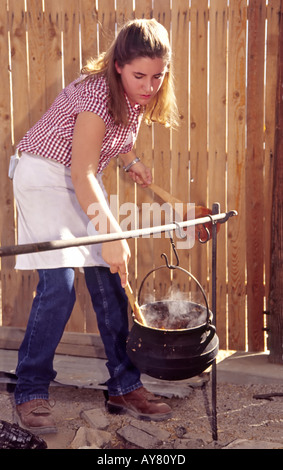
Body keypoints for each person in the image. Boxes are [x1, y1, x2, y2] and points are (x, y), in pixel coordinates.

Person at [11, 18, 179, 434]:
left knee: (109, 281)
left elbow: (111, 138)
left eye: (158, 76)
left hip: (77, 176)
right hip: (44, 177)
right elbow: (83, 169)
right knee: (59, 284)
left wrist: (130, 160)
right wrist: (114, 234)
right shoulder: (96, 95)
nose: (149, 85)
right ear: (119, 65)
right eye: (140, 75)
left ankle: (124, 385)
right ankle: (30, 391)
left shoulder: (131, 95)